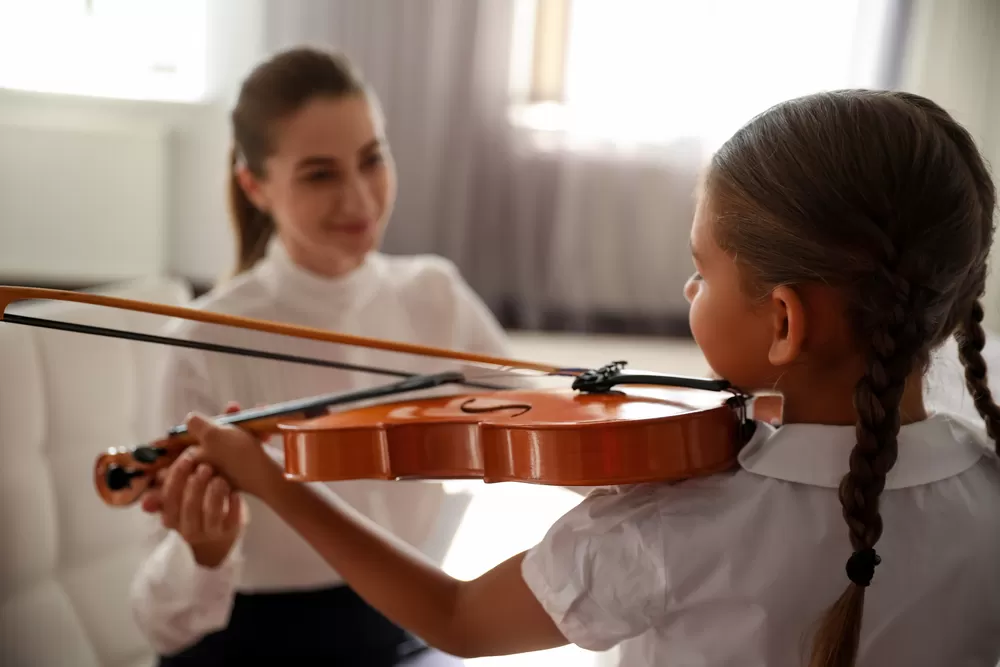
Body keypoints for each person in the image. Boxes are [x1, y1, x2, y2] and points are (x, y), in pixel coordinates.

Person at [174, 89, 1000, 666]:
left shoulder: (665, 532)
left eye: (700, 270)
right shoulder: (987, 487)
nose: (689, 289)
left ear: (784, 322)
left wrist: (274, 479)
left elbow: (455, 619)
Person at [129, 47, 517, 666]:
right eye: (320, 174)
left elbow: (539, 417)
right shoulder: (200, 340)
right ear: (255, 186)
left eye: (372, 159)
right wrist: (204, 553)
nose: (360, 198)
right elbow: (159, 626)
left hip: (412, 619)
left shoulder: (433, 293)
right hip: (253, 644)